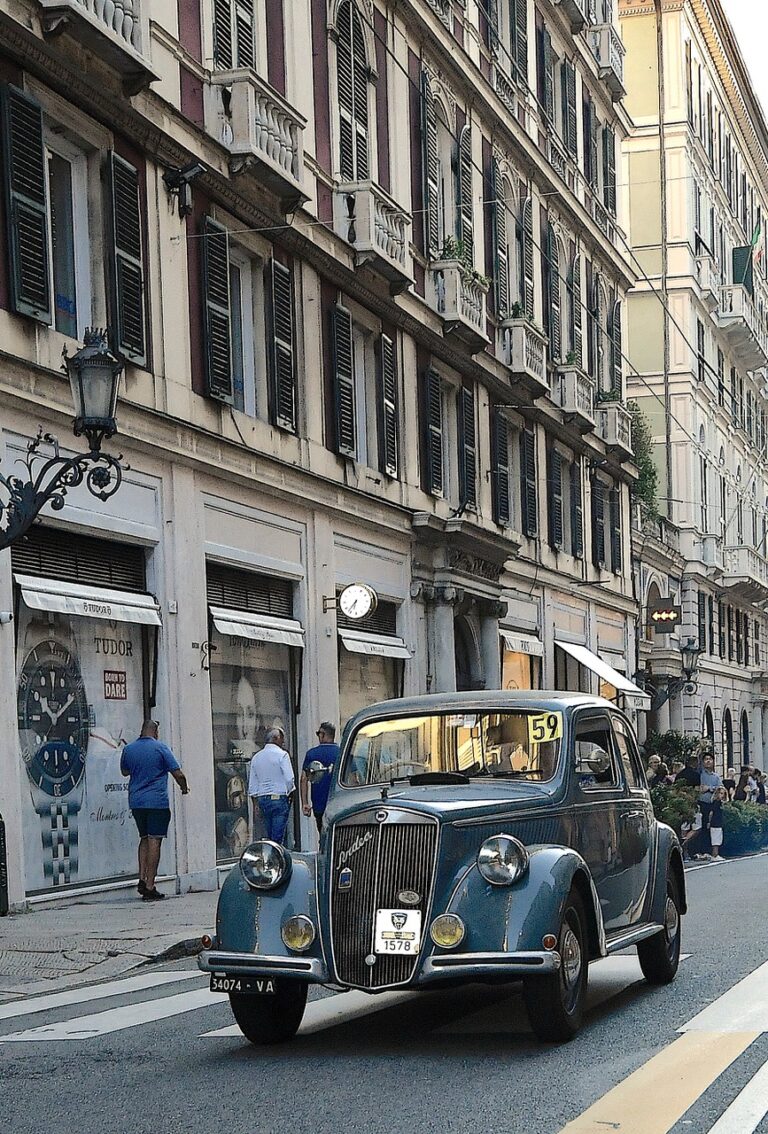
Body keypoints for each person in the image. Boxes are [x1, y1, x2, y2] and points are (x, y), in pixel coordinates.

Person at [120, 720, 189, 901]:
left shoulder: (129, 749)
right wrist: (184, 788)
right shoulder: (161, 748)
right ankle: (150, 885)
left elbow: (124, 772)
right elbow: (178, 773)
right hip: (156, 802)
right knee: (154, 840)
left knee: (144, 838)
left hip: (136, 802)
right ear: (155, 731)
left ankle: (141, 878)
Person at [248, 727, 295, 845]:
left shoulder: (256, 757)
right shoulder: (282, 755)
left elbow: (252, 786)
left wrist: (255, 805)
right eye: (281, 739)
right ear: (275, 738)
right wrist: (290, 793)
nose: (283, 742)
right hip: (279, 796)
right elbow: (289, 779)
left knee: (268, 836)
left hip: (263, 798)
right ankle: (277, 859)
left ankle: (270, 857)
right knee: (278, 838)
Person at [300, 722, 341, 834]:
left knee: (322, 834)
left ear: (322, 734)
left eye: (318, 733)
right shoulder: (341, 753)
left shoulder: (312, 754)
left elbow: (304, 779)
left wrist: (305, 803)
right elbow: (353, 778)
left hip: (319, 803)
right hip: (339, 802)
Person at [698, 754, 723, 839]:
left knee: (712, 828)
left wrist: (709, 788)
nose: (708, 761)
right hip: (702, 803)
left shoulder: (716, 776)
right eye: (706, 759)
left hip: (713, 804)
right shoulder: (700, 773)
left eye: (710, 759)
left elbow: (720, 788)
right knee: (702, 826)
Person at [708, 787, 726, 860]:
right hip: (715, 823)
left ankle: (715, 854)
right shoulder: (716, 802)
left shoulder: (720, 802)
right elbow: (711, 813)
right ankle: (715, 855)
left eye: (722, 793)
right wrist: (709, 822)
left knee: (718, 839)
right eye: (719, 793)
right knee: (716, 839)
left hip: (718, 822)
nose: (721, 795)